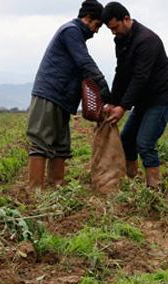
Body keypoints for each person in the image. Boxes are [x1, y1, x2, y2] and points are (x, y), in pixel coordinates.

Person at [27, 0, 111, 189]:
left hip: (62, 98)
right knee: (41, 142)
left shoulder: (76, 35)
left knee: (61, 145)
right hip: (50, 93)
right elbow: (84, 62)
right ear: (88, 18)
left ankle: (57, 187)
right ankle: (34, 192)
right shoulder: (71, 31)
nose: (97, 31)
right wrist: (103, 85)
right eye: (97, 25)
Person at [101, 2, 168, 188]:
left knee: (144, 143)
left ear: (126, 19)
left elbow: (140, 77)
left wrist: (123, 107)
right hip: (143, 100)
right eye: (110, 29)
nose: (113, 32)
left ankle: (154, 189)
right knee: (127, 140)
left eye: (115, 27)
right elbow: (121, 73)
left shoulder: (147, 40)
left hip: (160, 98)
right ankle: (133, 185)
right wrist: (113, 102)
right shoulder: (121, 40)